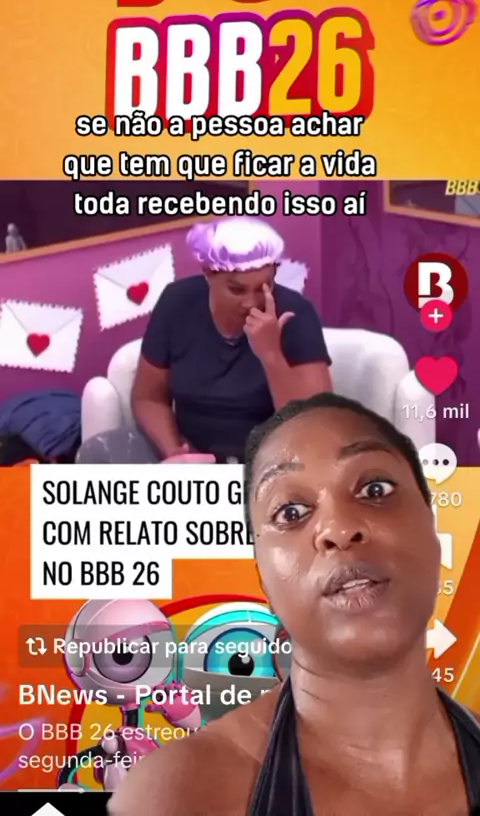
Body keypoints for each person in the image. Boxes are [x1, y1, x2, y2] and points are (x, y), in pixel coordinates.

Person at [109, 392, 480, 816]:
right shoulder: (185, 788)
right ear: (262, 575)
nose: (338, 528)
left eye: (374, 489)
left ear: (433, 528)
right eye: (290, 512)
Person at [77, 218, 332, 464]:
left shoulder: (295, 314)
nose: (251, 302)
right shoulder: (177, 302)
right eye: (237, 289)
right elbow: (148, 398)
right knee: (98, 452)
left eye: (263, 287)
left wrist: (271, 355)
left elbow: (313, 427)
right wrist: (174, 452)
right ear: (209, 273)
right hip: (191, 450)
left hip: (269, 457)